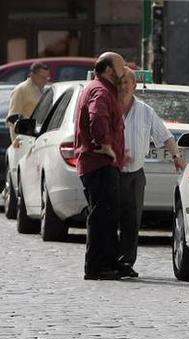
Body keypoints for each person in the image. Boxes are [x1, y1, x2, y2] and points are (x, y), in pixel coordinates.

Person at [117, 67, 187, 276]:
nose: (122, 87)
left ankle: (126, 262)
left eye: (126, 83)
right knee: (110, 218)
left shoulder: (145, 111)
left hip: (136, 173)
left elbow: (165, 136)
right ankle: (109, 260)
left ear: (134, 86)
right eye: (119, 83)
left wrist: (176, 157)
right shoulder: (109, 107)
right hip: (112, 172)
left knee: (132, 220)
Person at [74, 51, 130, 280]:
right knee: (102, 216)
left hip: (104, 163)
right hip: (99, 162)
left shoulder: (104, 89)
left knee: (108, 214)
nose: (124, 70)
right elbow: (97, 118)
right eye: (121, 66)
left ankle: (109, 262)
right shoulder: (100, 90)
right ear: (108, 69)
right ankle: (97, 266)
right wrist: (105, 145)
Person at [6, 61, 50, 144]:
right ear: (33, 76)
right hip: (23, 140)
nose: (45, 81)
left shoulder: (43, 91)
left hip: (37, 138)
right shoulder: (21, 90)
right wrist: (18, 139)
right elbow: (12, 118)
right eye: (43, 77)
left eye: (47, 78)